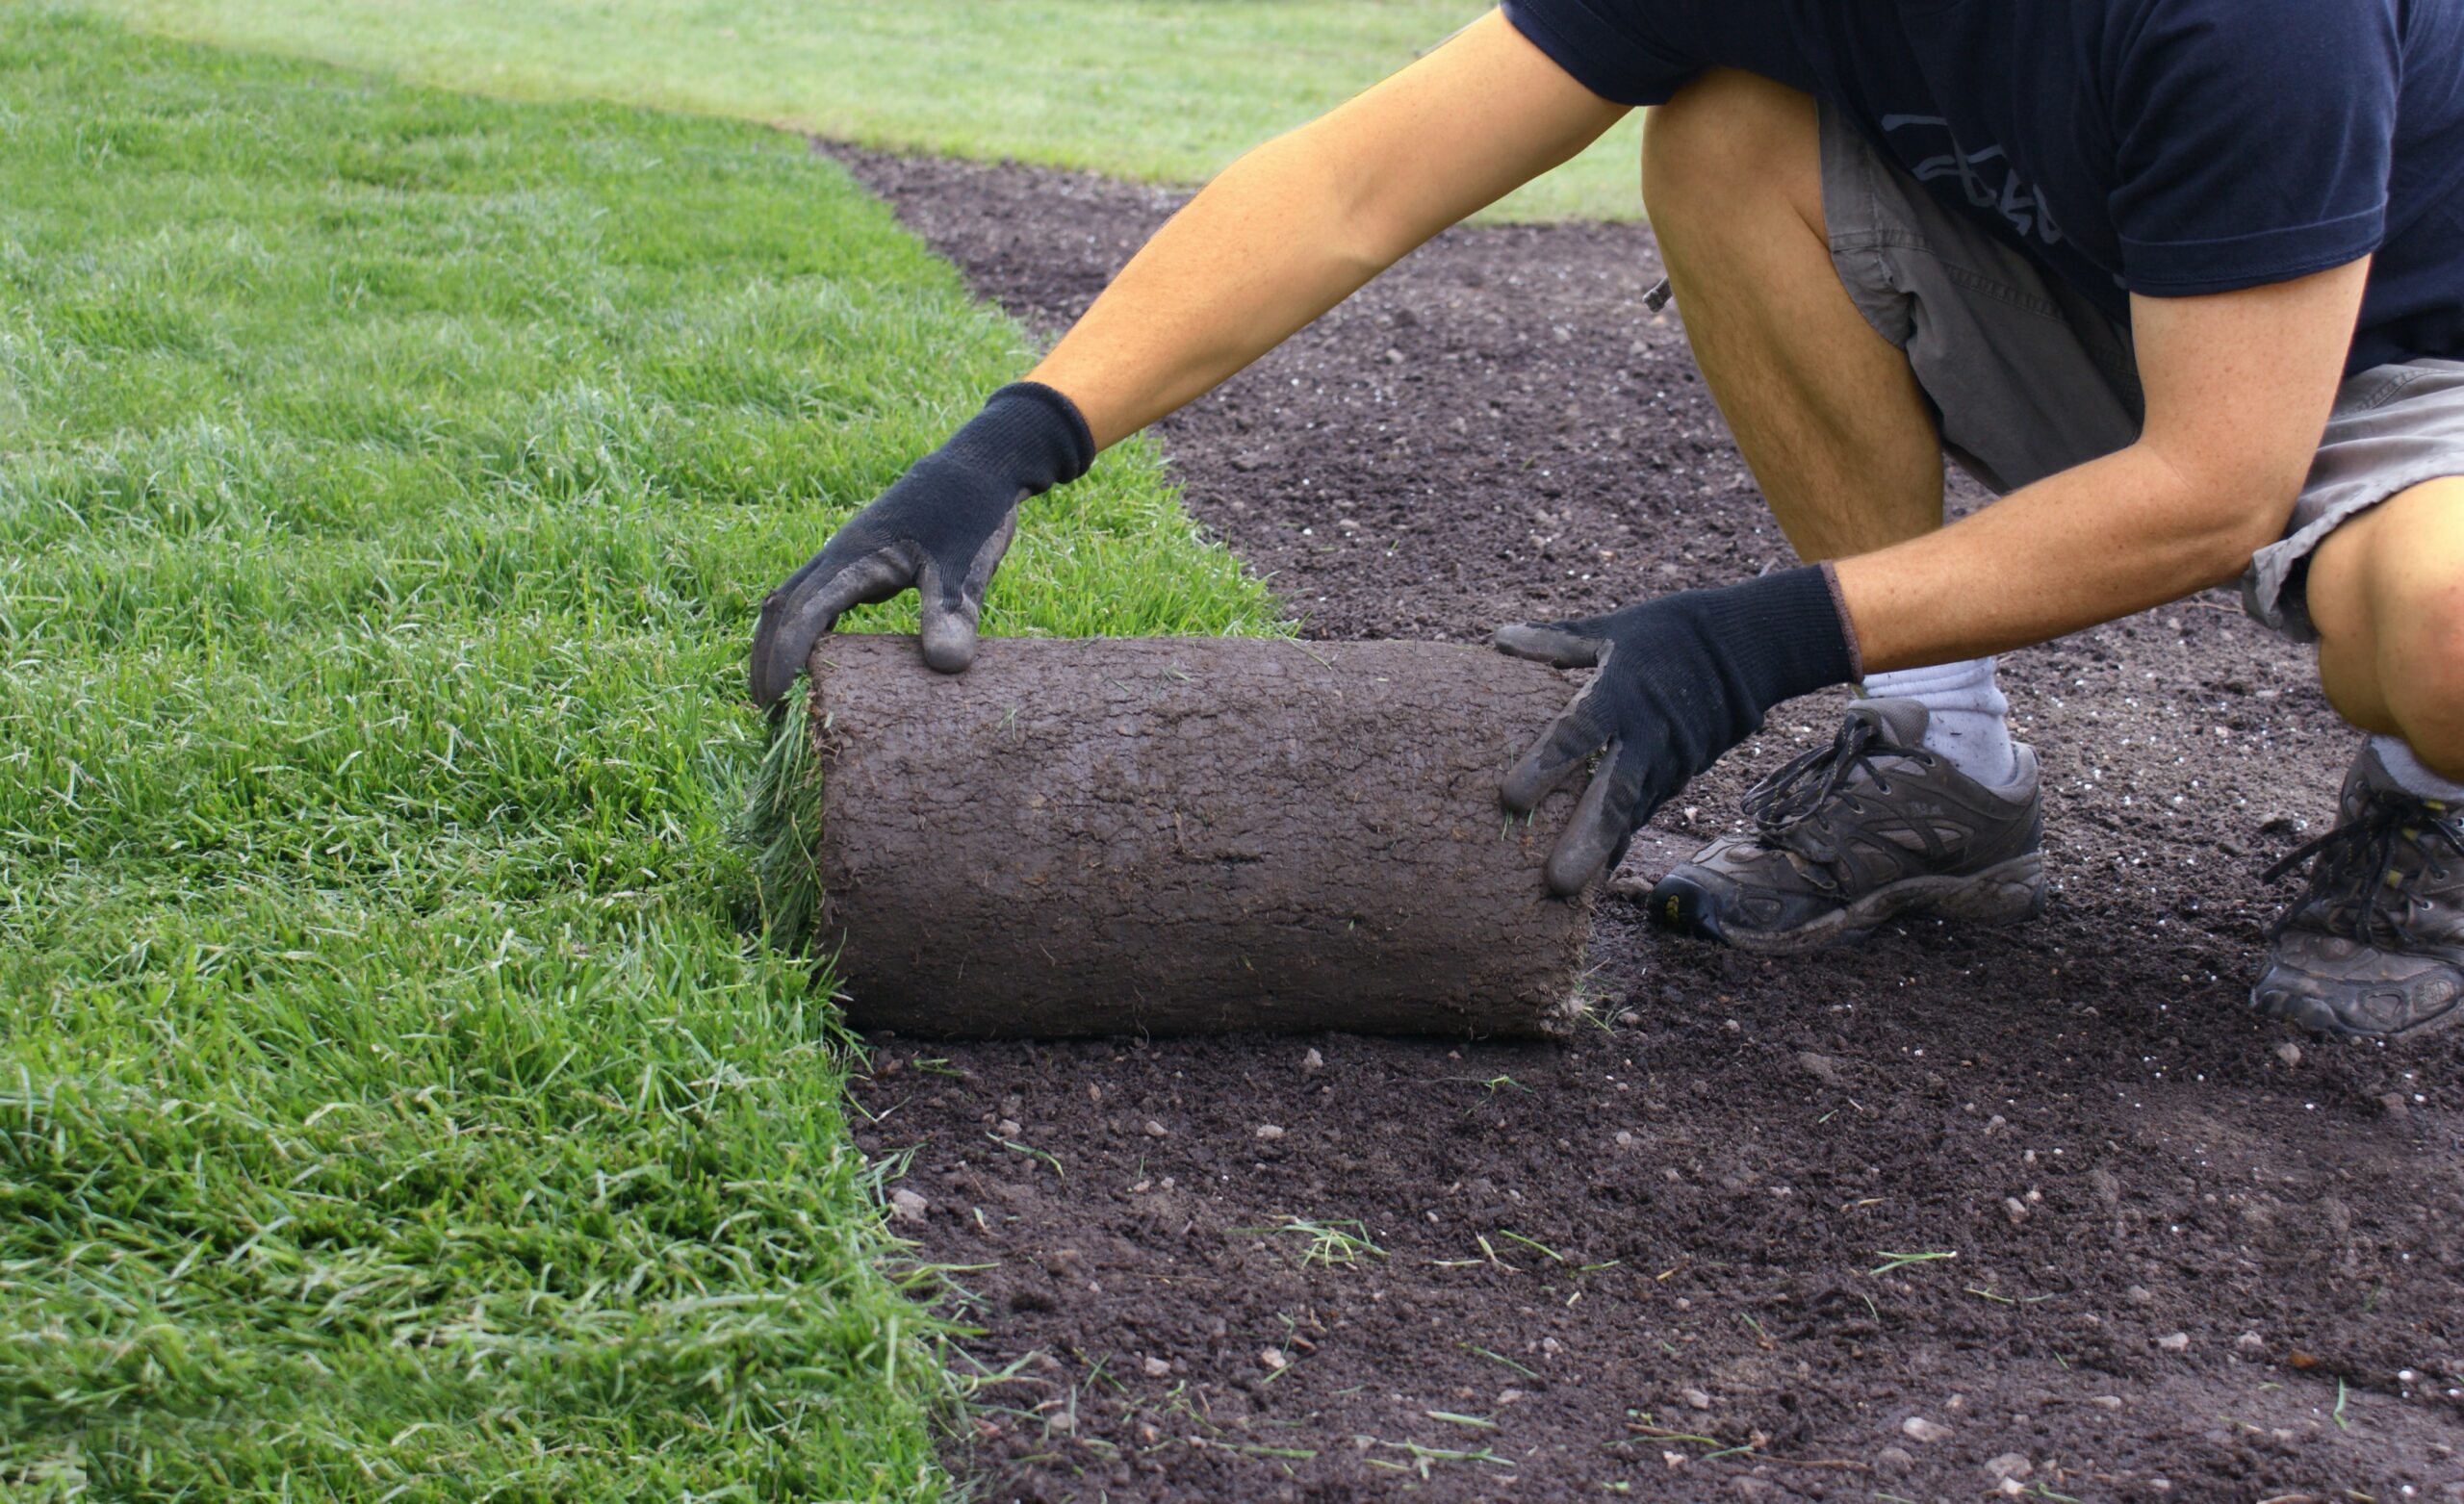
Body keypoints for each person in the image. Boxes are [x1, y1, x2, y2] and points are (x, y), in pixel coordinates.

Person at [750, 3, 2464, 1039]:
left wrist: (1753, 642)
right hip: (2120, 292)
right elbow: (1363, 178)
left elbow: (2215, 486)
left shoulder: (2252, 17)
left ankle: (2425, 810)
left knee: (2436, 632)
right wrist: (1019, 438)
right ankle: (1943, 764)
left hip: (2408, 369)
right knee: (1721, 134)